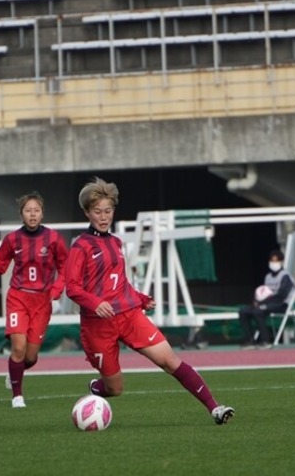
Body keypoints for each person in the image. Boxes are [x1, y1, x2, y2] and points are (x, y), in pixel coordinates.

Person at [64, 177, 234, 425]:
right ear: (87, 212)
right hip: (97, 326)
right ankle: (97, 390)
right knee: (115, 389)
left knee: (169, 360)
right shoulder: (80, 246)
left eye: (108, 211)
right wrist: (94, 303)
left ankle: (215, 408)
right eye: (97, 211)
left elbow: (119, 282)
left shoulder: (116, 242)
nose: (103, 216)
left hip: (129, 316)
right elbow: (72, 288)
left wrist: (141, 299)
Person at [0, 191, 69, 408]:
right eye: (28, 210)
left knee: (30, 357)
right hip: (18, 297)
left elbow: (65, 267)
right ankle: (17, 396)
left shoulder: (53, 239)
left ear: (42, 214)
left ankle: (15, 371)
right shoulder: (12, 239)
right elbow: (0, 262)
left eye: (36, 210)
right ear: (21, 214)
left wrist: (57, 289)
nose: (32, 214)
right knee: (18, 347)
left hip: (42, 302)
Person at [237, 249, 295, 349]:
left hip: (282, 304)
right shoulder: (267, 276)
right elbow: (263, 292)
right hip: (267, 304)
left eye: (276, 261)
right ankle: (250, 341)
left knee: (258, 311)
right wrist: (256, 300)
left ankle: (266, 341)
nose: (273, 263)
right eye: (272, 261)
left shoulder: (285, 276)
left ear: (281, 262)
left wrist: (263, 303)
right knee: (243, 311)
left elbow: (281, 295)